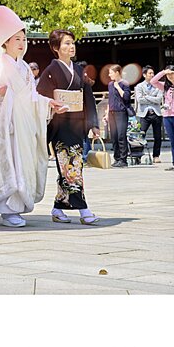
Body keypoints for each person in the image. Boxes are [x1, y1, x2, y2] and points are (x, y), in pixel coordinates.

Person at [0, 6, 67, 227]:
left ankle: (19, 204)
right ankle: (7, 209)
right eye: (16, 39)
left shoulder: (24, 68)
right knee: (8, 163)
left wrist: (49, 103)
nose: (22, 43)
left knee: (22, 163)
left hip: (23, 125)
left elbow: (31, 97)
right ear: (5, 42)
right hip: (5, 126)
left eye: (24, 39)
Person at [36, 30, 102, 225]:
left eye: (72, 43)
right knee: (72, 168)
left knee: (70, 168)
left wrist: (93, 124)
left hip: (78, 124)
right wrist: (53, 105)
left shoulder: (79, 70)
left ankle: (58, 208)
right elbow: (42, 98)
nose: (71, 47)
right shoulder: (50, 71)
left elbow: (88, 97)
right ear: (56, 48)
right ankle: (83, 210)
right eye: (66, 44)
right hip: (61, 125)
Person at [151, 65, 174, 171]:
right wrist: (163, 72)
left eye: (172, 73)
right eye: (168, 74)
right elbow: (153, 81)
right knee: (173, 141)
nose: (170, 76)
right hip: (167, 116)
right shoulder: (165, 86)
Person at [134, 65, 164, 163]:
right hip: (144, 114)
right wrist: (152, 99)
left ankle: (156, 155)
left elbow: (159, 100)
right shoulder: (139, 86)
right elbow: (140, 100)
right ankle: (138, 155)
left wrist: (146, 97)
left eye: (153, 73)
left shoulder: (158, 85)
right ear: (144, 75)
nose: (152, 75)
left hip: (156, 113)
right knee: (141, 136)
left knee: (158, 136)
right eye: (150, 73)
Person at [107, 64, 132, 168]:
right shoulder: (110, 84)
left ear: (117, 72)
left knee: (121, 136)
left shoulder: (124, 84)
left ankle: (123, 159)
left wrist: (118, 87)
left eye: (111, 72)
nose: (109, 75)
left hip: (121, 112)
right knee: (114, 136)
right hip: (112, 112)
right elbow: (110, 100)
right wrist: (106, 114)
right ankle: (117, 158)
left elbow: (126, 98)